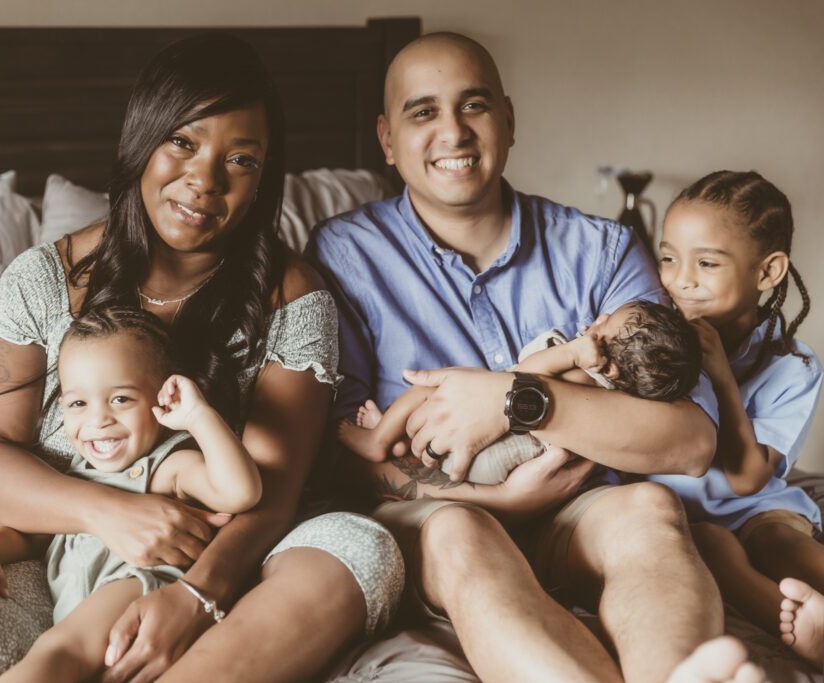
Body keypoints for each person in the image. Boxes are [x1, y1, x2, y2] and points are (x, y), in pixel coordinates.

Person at [0, 34, 402, 683]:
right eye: (182, 142)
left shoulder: (291, 294)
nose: (204, 180)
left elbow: (274, 485)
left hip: (228, 553)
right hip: (59, 547)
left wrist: (195, 597)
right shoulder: (44, 279)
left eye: (240, 159)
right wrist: (109, 511)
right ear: (142, 139)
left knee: (363, 549)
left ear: (264, 177)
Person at [308, 31, 766, 683]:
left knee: (650, 511)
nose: (454, 132)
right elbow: (335, 454)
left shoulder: (601, 250)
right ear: (387, 138)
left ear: (509, 119)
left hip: (582, 513)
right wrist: (505, 501)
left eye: (474, 105)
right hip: (440, 517)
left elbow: (690, 442)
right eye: (423, 111)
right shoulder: (344, 256)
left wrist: (514, 399)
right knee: (460, 532)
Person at [0, 307, 264, 682]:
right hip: (79, 613)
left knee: (58, 652)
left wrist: (197, 416)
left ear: (162, 400)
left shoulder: (165, 469)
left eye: (120, 399)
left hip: (134, 587)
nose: (98, 419)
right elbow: (28, 534)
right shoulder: (71, 479)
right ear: (62, 409)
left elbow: (240, 493)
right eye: (78, 404)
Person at [650, 170, 824, 664]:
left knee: (780, 545)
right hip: (680, 518)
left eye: (706, 263)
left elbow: (749, 477)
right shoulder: (652, 346)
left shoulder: (793, 365)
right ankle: (802, 631)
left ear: (768, 272)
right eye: (668, 258)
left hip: (757, 508)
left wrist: (722, 375)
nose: (680, 279)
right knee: (709, 546)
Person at [339, 299, 702, 484]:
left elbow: (519, 386)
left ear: (610, 368)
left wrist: (572, 352)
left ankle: (378, 438)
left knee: (431, 388)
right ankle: (401, 442)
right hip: (490, 464)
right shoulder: (614, 400)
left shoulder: (584, 376)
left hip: (496, 460)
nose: (599, 319)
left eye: (606, 327)